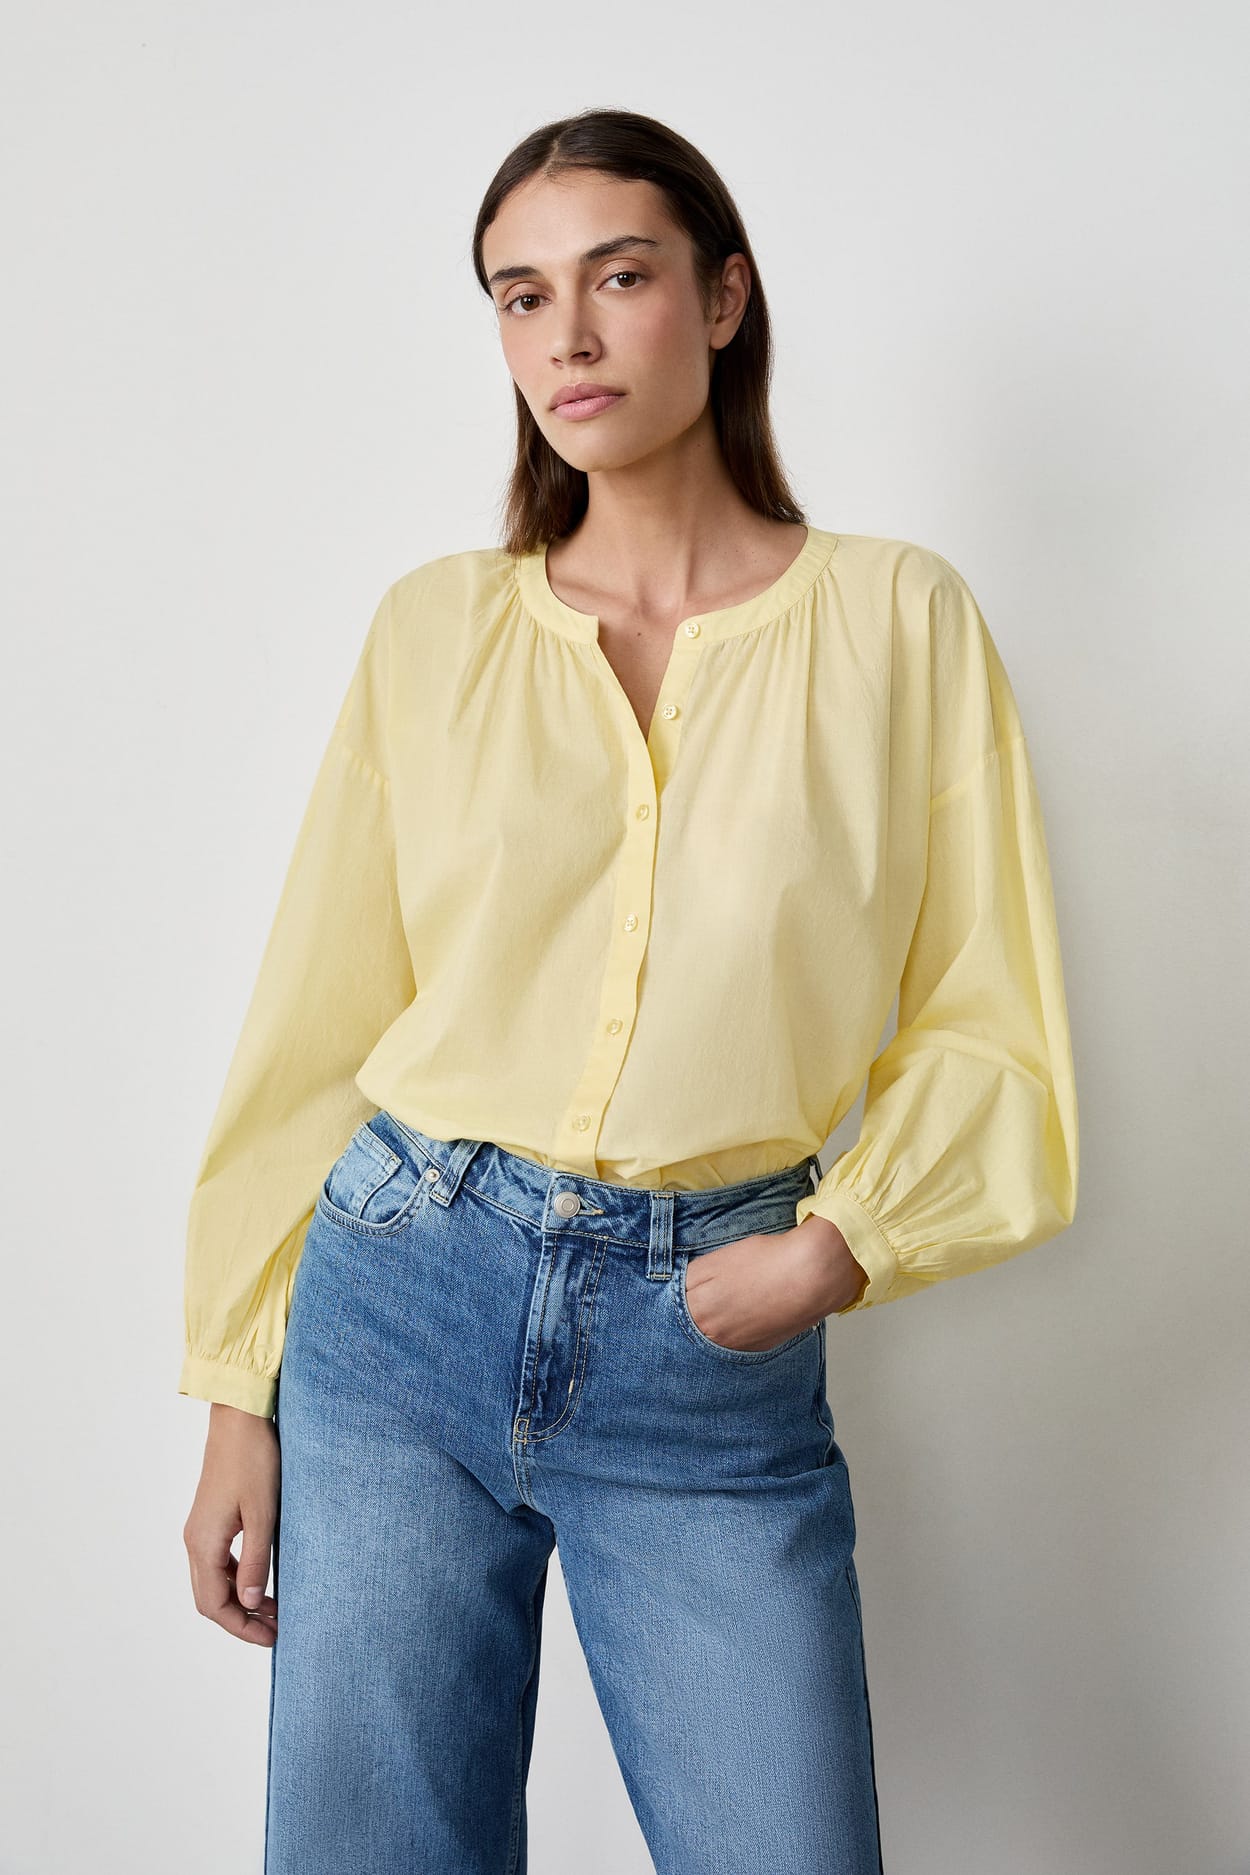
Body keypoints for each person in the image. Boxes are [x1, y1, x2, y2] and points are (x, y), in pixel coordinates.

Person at [180, 107, 1079, 1875]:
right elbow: (318, 1017)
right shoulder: (435, 630)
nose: (567, 339)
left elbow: (990, 1009)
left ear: (722, 298)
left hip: (710, 1340)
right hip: (397, 1302)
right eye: (522, 297)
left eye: (619, 278)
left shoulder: (897, 621)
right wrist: (236, 1385)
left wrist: (839, 1247)